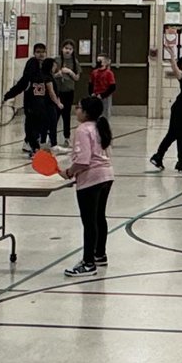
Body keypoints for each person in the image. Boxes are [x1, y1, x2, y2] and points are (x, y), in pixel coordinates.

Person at [61, 96, 114, 278]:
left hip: (91, 179)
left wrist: (69, 172)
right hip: (107, 176)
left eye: (79, 107)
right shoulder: (99, 127)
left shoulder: (83, 129)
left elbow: (83, 161)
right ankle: (100, 254)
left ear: (86, 112)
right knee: (99, 217)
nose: (76, 110)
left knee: (89, 221)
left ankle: (88, 262)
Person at [3, 53, 63, 157]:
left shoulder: (29, 79)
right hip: (40, 108)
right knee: (38, 129)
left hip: (32, 108)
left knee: (32, 129)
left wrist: (7, 96)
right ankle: (36, 148)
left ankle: (35, 148)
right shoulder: (41, 78)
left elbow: (18, 88)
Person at [4, 42, 49, 155]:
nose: (41, 54)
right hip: (31, 103)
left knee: (40, 124)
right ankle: (33, 146)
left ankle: (30, 143)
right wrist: (9, 95)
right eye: (38, 52)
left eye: (43, 52)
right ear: (34, 53)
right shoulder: (31, 65)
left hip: (43, 103)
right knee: (31, 124)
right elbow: (22, 83)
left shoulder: (46, 66)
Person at [55, 39, 81, 143]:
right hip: (57, 91)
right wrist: (58, 74)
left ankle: (67, 137)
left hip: (68, 91)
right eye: (66, 48)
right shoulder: (56, 60)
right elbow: (50, 75)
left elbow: (77, 77)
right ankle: (51, 136)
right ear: (62, 49)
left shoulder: (75, 62)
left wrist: (70, 72)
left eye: (70, 49)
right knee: (55, 115)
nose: (67, 51)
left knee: (66, 115)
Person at [90, 55, 116, 121]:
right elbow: (91, 84)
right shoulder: (94, 72)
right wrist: (91, 93)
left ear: (105, 62)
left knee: (104, 114)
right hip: (95, 96)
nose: (98, 62)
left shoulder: (109, 73)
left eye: (100, 60)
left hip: (105, 97)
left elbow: (112, 87)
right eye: (97, 60)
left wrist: (103, 95)